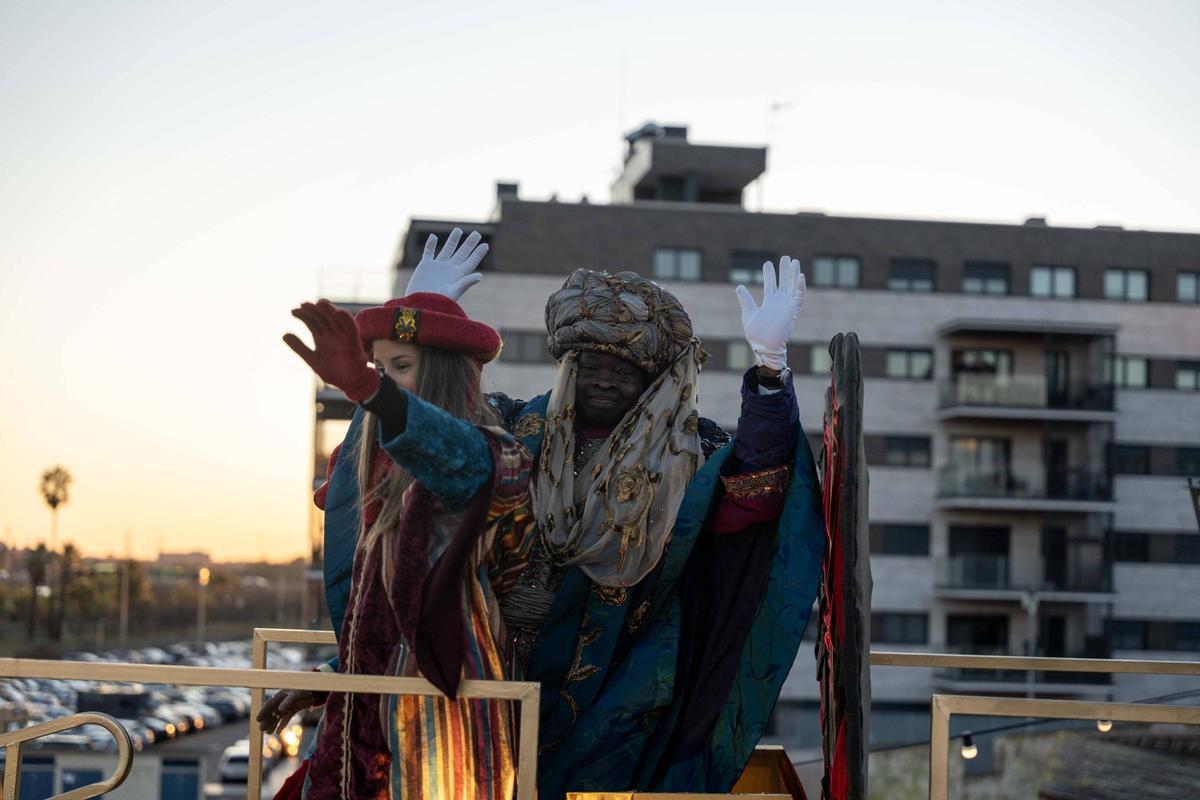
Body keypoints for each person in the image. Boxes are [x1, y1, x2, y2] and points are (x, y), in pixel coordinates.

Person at [269, 285, 537, 799]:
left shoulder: (497, 454)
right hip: (364, 724)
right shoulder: (384, 475)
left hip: (438, 728)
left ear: (443, 373)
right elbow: (384, 621)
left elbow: (469, 464)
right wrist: (329, 678)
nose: (384, 379)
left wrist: (369, 390)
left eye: (402, 366)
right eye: (379, 366)